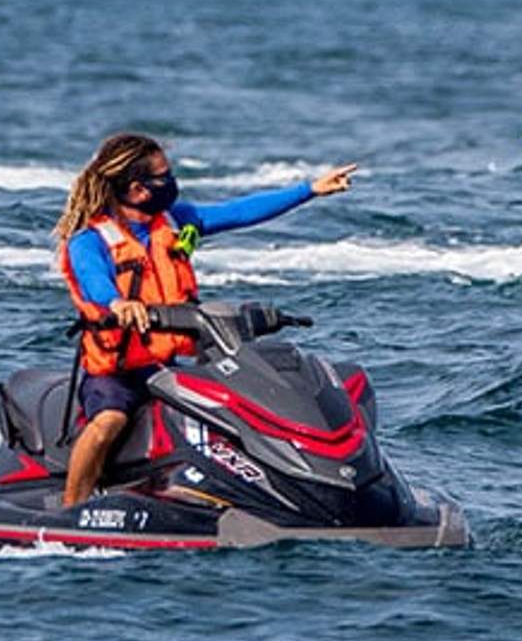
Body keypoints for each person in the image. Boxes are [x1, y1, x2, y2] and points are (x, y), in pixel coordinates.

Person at [54, 133, 356, 506]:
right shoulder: (90, 240)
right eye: (164, 176)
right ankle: (72, 506)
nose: (172, 182)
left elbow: (240, 211)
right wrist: (117, 303)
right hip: (115, 372)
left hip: (164, 364)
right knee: (109, 423)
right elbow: (92, 278)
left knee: (232, 409)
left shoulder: (174, 221)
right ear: (137, 189)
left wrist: (309, 190)